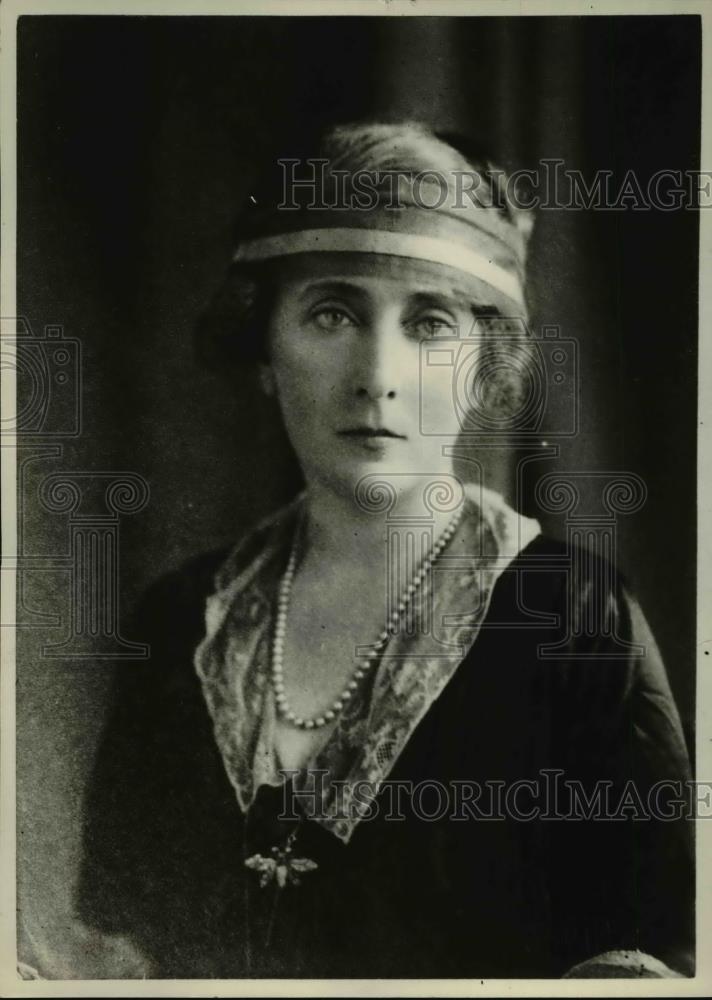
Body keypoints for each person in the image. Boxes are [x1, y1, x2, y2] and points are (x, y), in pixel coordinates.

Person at [76, 121, 694, 979]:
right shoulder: (181, 621)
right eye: (332, 312)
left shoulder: (576, 624)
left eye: (430, 321)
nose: (378, 372)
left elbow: (655, 960)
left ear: (486, 365)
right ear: (263, 348)